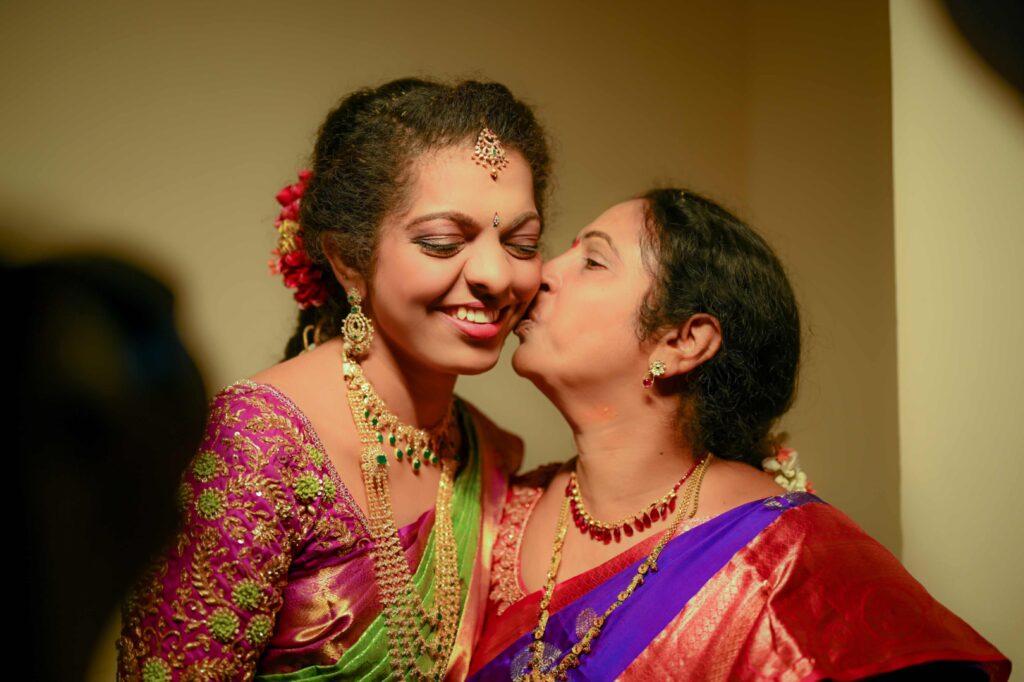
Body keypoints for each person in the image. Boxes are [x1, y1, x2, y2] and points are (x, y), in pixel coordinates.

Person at [468, 190, 1010, 681]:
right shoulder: (495, 511)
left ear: (682, 341)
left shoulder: (787, 557)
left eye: (592, 261)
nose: (539, 274)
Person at [117, 78, 551, 681]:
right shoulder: (259, 443)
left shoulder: (490, 453)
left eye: (521, 242)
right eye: (443, 242)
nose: (494, 274)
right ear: (350, 260)